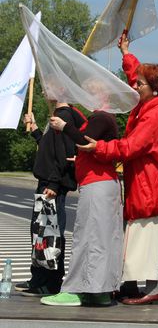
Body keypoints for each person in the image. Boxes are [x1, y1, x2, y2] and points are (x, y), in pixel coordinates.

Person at [77, 35, 158, 305]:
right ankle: (133, 285)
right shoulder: (155, 102)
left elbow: (129, 147)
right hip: (151, 181)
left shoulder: (153, 115)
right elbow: (137, 72)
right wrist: (126, 53)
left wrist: (97, 148)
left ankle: (150, 289)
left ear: (153, 89)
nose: (134, 85)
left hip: (151, 185)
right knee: (137, 235)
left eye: (140, 84)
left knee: (142, 239)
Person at [41, 79, 122, 307]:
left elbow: (85, 140)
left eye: (87, 93)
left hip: (97, 184)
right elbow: (93, 147)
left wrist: (64, 127)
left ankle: (76, 289)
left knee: (88, 237)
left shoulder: (100, 117)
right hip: (101, 182)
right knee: (101, 237)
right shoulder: (104, 118)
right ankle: (99, 290)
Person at [18, 102, 86, 297]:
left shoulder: (64, 115)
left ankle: (51, 282)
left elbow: (65, 155)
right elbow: (50, 149)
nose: (45, 93)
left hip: (51, 185)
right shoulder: (58, 114)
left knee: (50, 235)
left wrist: (55, 184)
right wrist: (36, 130)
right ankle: (38, 278)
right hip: (48, 183)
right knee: (41, 233)